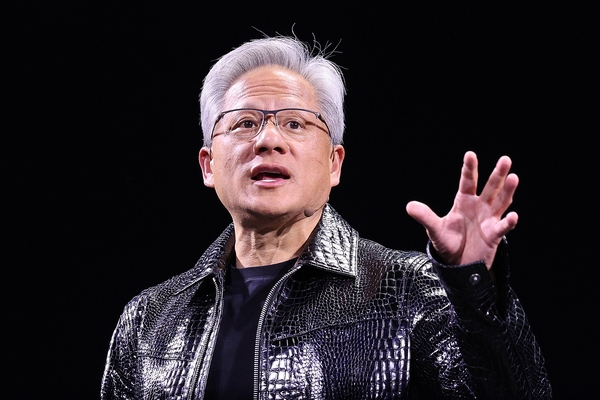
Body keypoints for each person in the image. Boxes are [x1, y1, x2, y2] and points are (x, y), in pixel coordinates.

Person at [101, 35, 552, 399]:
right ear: (208, 165)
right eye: (244, 123)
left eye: (295, 123)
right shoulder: (149, 319)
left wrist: (471, 287)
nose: (268, 140)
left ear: (334, 163)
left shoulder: (410, 289)